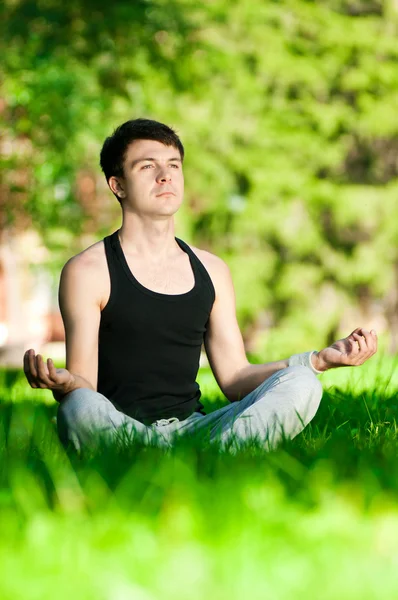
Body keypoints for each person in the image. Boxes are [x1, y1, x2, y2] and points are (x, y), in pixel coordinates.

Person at [23, 118, 378, 455]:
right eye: (147, 166)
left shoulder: (212, 270)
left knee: (303, 383)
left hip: (197, 430)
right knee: (78, 407)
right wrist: (66, 384)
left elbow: (236, 378)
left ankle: (212, 454)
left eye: (174, 165)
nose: (165, 176)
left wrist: (318, 360)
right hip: (121, 428)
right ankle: (188, 458)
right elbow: (85, 384)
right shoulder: (87, 270)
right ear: (118, 185)